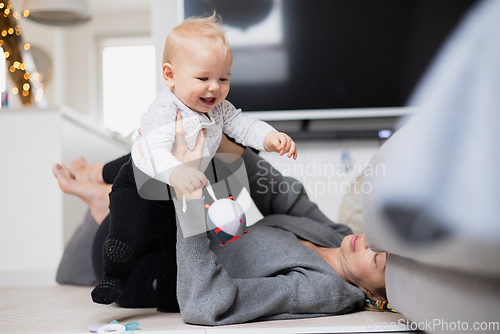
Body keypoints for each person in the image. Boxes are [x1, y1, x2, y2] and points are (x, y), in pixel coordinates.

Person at [91, 12, 298, 308]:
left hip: (176, 192)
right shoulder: (165, 109)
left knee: (173, 247)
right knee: (128, 232)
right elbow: (154, 151)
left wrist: (269, 137)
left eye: (223, 79)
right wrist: (176, 174)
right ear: (170, 76)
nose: (214, 87)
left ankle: (168, 297)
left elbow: (243, 124)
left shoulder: (219, 108)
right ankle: (113, 276)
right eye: (203, 78)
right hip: (140, 182)